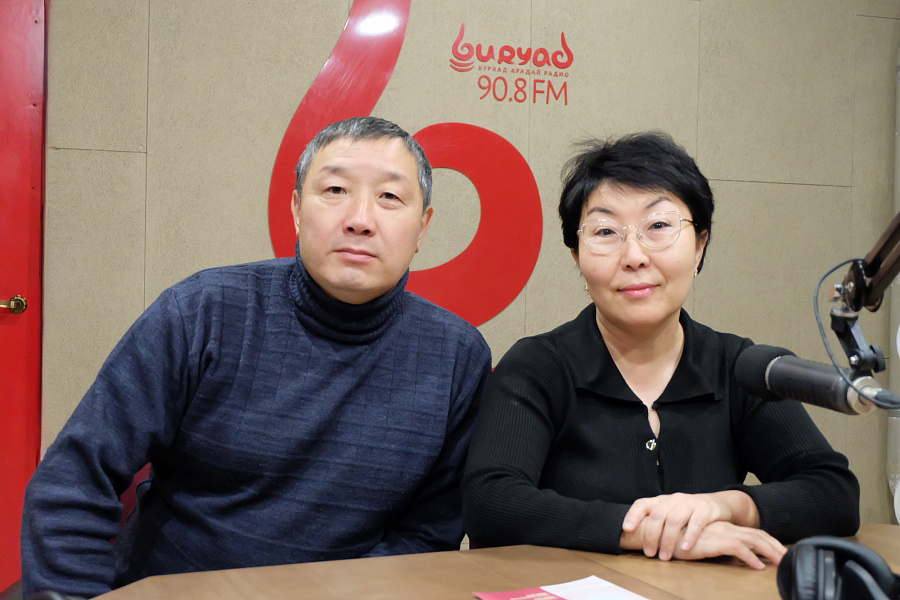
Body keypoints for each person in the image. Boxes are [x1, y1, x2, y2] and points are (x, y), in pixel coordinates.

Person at [22, 116, 492, 598]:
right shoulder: (202, 312)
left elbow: (427, 536)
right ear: (296, 209)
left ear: (422, 227)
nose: (360, 218)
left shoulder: (457, 357)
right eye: (335, 190)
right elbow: (73, 482)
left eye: (389, 197)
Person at [462, 132, 859, 569]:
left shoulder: (738, 367)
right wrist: (644, 530)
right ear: (577, 256)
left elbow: (834, 492)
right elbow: (491, 501)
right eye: (605, 231)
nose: (634, 256)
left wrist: (725, 507)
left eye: (659, 227)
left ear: (700, 245)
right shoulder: (538, 366)